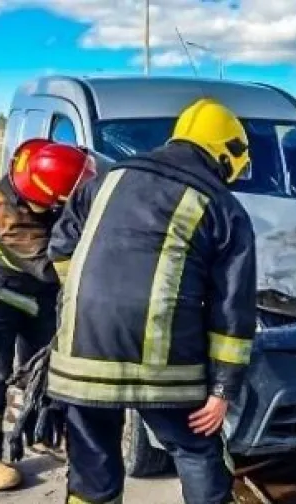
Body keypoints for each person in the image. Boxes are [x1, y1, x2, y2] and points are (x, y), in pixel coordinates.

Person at [46, 97, 257, 504]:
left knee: (92, 471)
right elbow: (231, 311)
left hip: (81, 355)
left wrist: (83, 304)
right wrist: (222, 390)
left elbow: (61, 247)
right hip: (164, 366)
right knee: (198, 451)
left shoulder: (107, 180)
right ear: (226, 153)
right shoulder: (223, 207)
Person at [0, 139, 96, 491]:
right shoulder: (10, 220)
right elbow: (57, 268)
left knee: (47, 363)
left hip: (26, 291)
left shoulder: (34, 171)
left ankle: (41, 431)